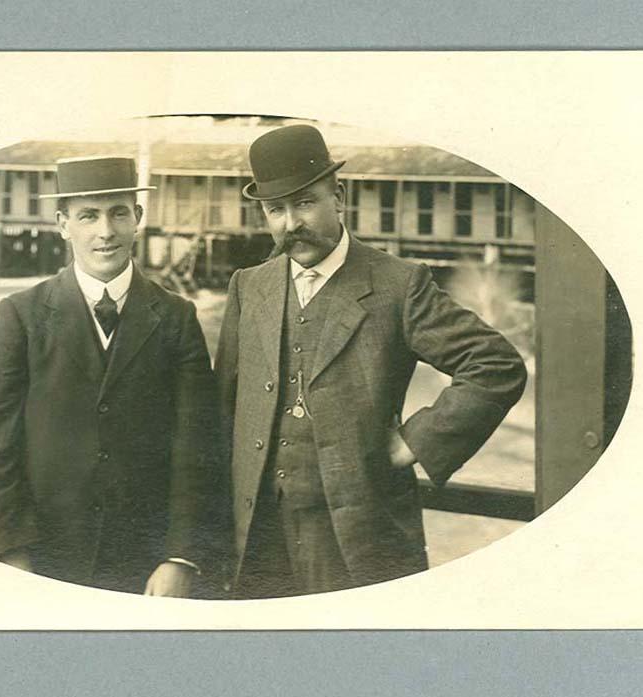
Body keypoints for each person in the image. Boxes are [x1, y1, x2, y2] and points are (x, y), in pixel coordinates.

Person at [215, 125, 528, 598]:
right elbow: (224, 407)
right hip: (257, 533)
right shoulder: (249, 286)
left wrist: (413, 441)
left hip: (356, 539)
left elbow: (495, 365)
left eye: (304, 203)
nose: (289, 223)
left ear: (338, 196)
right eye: (274, 209)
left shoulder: (398, 285)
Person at [0, 156, 222, 597]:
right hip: (45, 554)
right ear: (64, 224)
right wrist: (12, 553)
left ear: (137, 218)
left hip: (144, 561)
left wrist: (180, 555)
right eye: (89, 216)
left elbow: (196, 444)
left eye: (119, 212)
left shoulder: (177, 318)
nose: (106, 231)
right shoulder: (21, 317)